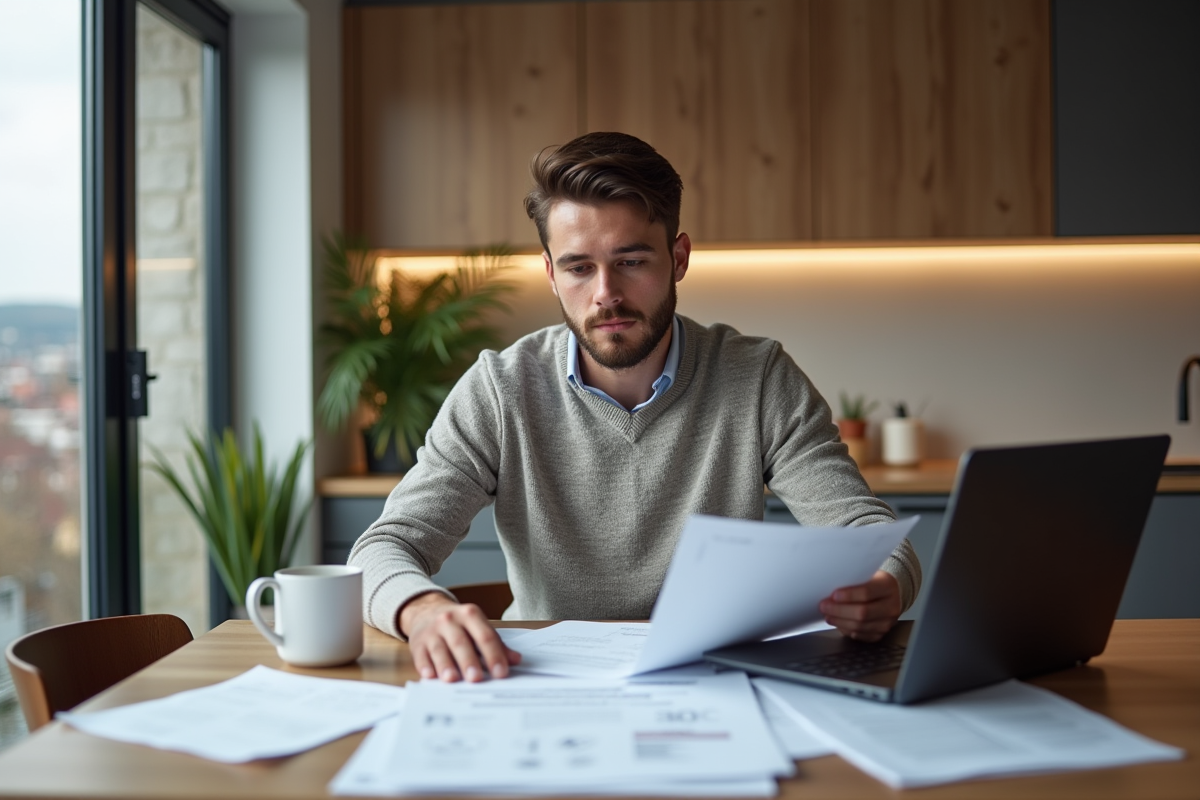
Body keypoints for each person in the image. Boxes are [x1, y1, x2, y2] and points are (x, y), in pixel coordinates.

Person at [348, 131, 922, 683]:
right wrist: (421, 609)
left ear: (678, 257)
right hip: (549, 686)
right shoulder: (500, 390)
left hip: (717, 682)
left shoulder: (759, 377)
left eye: (631, 260)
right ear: (550, 273)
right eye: (578, 267)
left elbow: (866, 531)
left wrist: (883, 584)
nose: (606, 294)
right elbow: (383, 547)